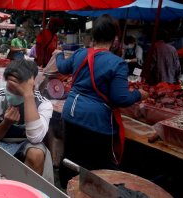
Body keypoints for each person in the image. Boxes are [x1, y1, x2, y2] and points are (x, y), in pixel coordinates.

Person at [54, 14, 149, 188]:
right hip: (97, 122)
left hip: (71, 113)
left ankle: (67, 188)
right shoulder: (117, 63)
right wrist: (139, 95)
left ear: (94, 35)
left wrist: (59, 54)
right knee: (97, 166)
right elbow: (120, 98)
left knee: (72, 156)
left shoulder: (80, 54)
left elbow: (61, 67)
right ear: (114, 39)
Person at [0, 59, 54, 183]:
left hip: (27, 143)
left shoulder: (43, 104)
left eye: (18, 88)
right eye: (9, 87)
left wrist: (27, 95)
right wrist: (6, 123)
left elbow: (35, 138)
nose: (11, 93)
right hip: (2, 142)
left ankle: (25, 189)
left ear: (31, 85)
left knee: (36, 153)